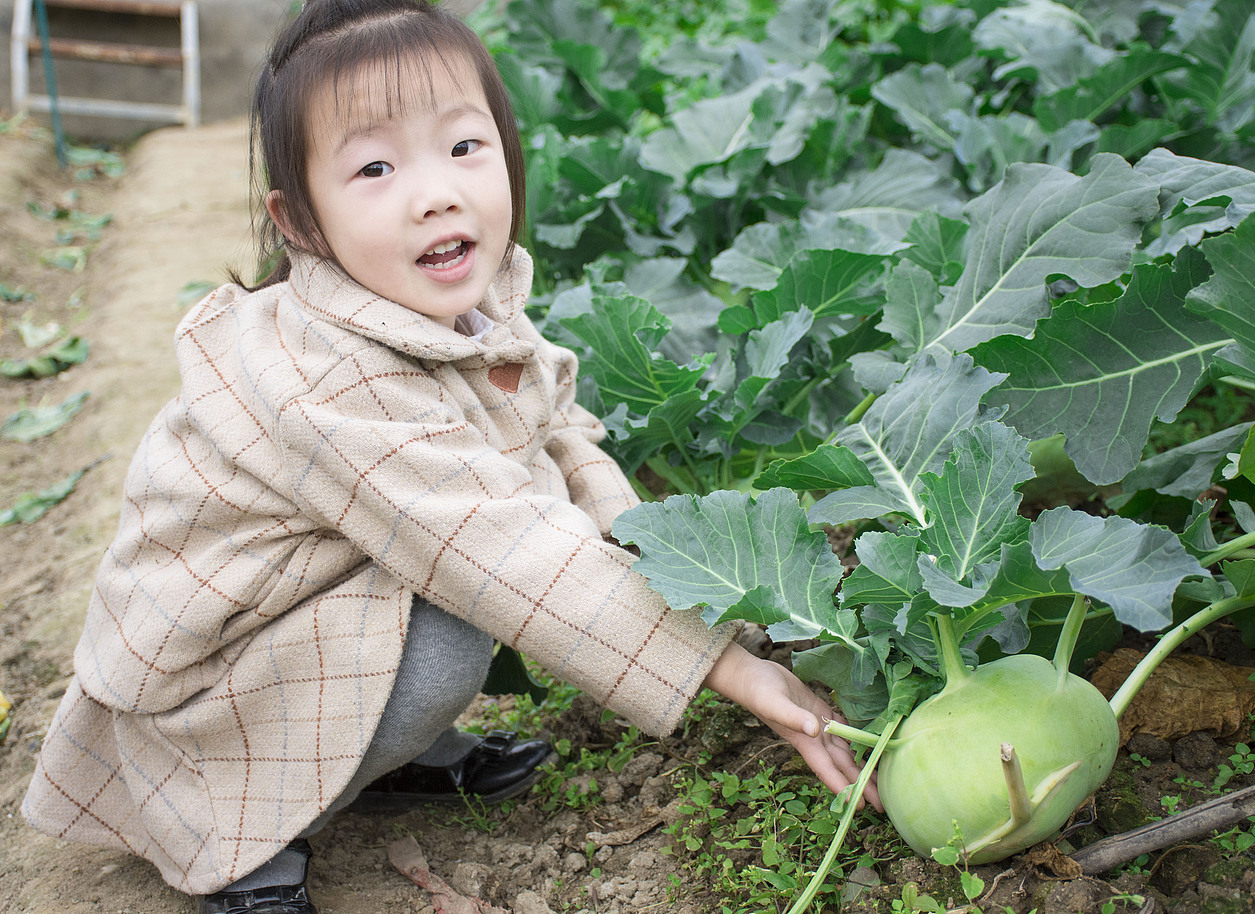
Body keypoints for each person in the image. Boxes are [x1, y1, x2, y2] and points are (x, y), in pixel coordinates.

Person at [21, 1, 878, 911]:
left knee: (481, 545)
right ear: (299, 220)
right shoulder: (325, 376)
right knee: (449, 634)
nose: (434, 192)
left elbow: (565, 448)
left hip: (300, 617)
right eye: (376, 168)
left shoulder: (462, 311)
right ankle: (248, 841)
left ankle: (384, 757)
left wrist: (724, 607)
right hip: (207, 699)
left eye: (464, 146)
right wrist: (733, 673)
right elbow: (501, 545)